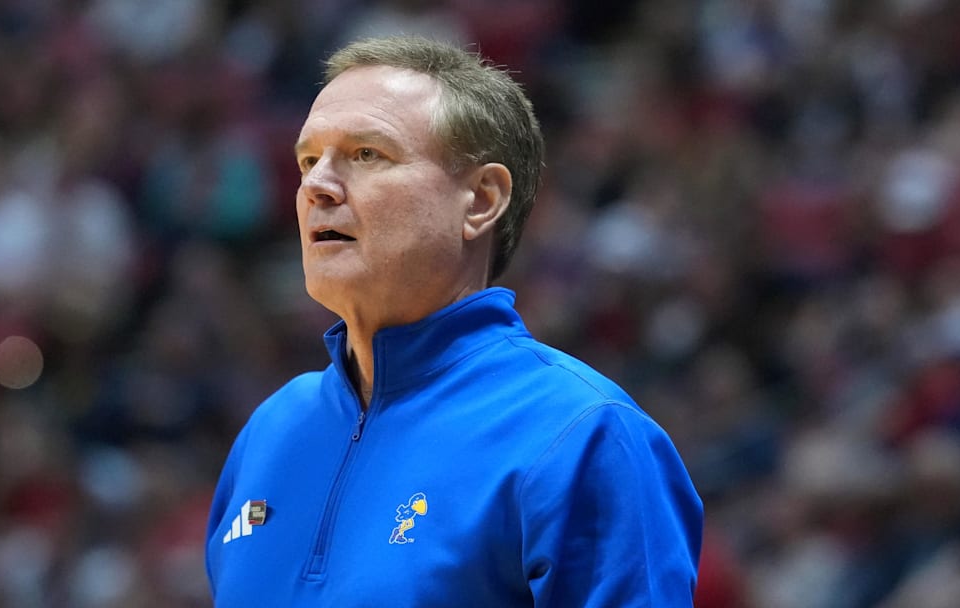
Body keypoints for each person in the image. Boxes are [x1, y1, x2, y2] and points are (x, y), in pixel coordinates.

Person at [204, 35, 703, 607]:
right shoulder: (271, 431)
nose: (317, 185)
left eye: (367, 154)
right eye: (309, 159)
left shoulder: (583, 433)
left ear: (481, 200)